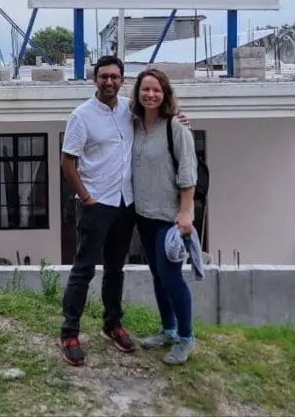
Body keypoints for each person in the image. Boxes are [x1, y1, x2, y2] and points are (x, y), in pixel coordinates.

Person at [58, 55, 188, 366]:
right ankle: (69, 332)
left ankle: (112, 324)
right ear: (95, 80)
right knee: (83, 269)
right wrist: (86, 198)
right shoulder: (81, 116)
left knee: (116, 269)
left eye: (115, 77)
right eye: (103, 77)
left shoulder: (129, 111)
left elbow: (158, 120)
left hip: (125, 204)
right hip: (95, 204)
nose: (109, 82)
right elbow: (67, 162)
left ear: (122, 80)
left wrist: (181, 122)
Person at [130, 67, 199, 366]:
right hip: (143, 215)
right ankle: (168, 329)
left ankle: (186, 337)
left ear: (165, 94)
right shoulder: (132, 125)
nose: (150, 94)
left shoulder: (176, 128)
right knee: (158, 275)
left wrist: (186, 212)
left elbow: (188, 171)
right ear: (138, 93)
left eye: (156, 90)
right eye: (145, 89)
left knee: (171, 278)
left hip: (170, 218)